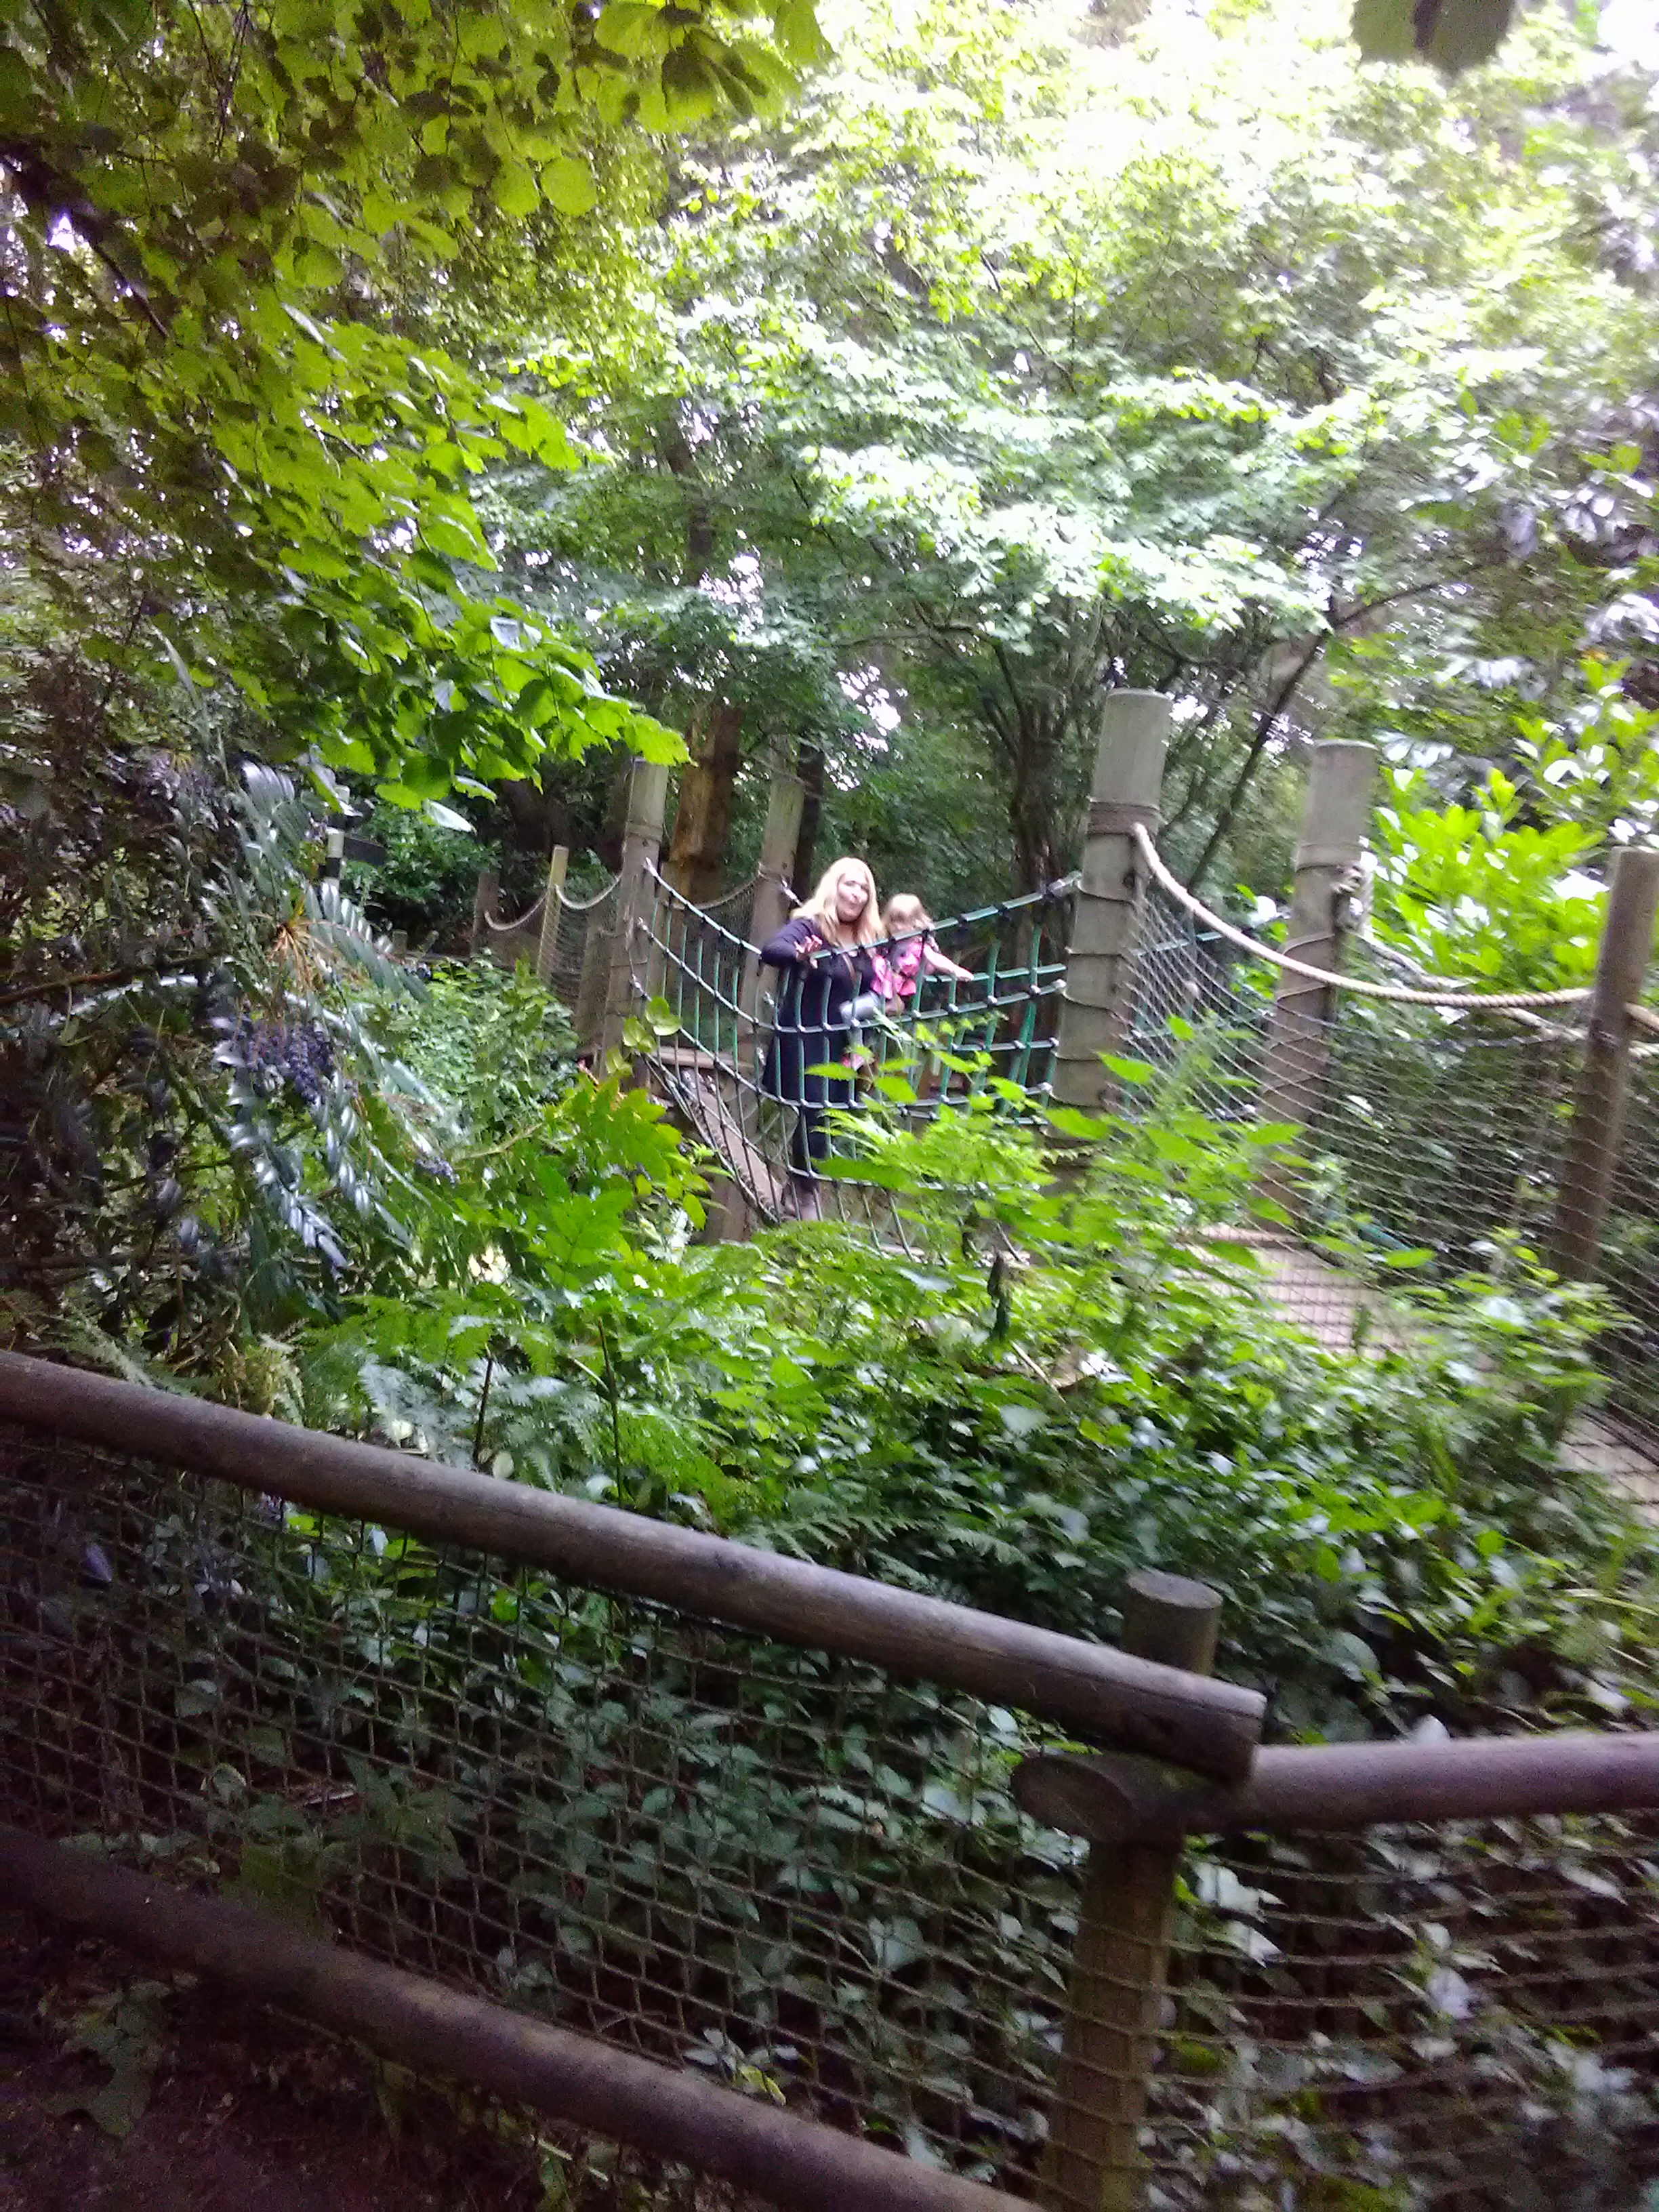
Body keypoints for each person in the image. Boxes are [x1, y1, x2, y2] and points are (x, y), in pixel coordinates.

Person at [759, 857, 882, 1216]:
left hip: (848, 1042)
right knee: (817, 1105)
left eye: (864, 888)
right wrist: (800, 955)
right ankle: (806, 1192)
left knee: (836, 1115)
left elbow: (888, 979)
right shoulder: (812, 927)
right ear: (834, 887)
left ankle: (799, 1183)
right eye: (850, 884)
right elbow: (773, 949)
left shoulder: (869, 942)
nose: (856, 894)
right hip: (808, 1035)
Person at [874, 894, 975, 1004]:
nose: (897, 926)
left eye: (903, 921)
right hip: (886, 985)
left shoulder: (918, 944)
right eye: (893, 921)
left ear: (915, 922)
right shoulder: (890, 942)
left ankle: (893, 1006)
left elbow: (935, 958)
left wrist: (955, 970)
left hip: (902, 988)